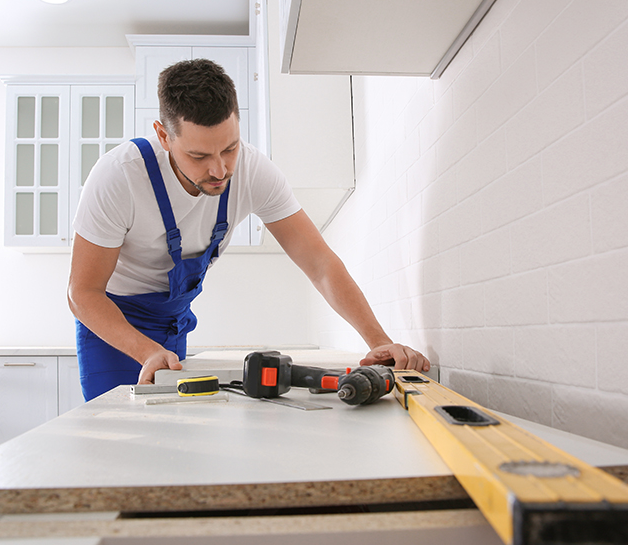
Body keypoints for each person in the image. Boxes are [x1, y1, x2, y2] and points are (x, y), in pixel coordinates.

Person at [67, 59, 430, 400]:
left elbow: (320, 264)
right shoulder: (119, 177)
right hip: (111, 324)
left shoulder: (255, 173)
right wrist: (144, 350)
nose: (220, 169)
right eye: (199, 156)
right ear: (164, 137)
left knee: (169, 439)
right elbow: (82, 293)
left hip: (173, 324)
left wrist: (378, 340)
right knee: (116, 439)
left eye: (230, 148)